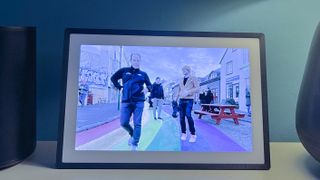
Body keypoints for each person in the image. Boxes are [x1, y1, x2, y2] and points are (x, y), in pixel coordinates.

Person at [111, 53, 152, 151]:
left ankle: (134, 144)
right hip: (126, 101)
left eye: (138, 60)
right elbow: (113, 78)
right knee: (123, 122)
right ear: (131, 60)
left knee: (137, 123)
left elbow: (150, 85)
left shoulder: (143, 74)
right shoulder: (124, 71)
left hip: (139, 102)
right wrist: (119, 88)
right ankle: (132, 134)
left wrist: (147, 89)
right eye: (134, 60)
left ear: (140, 61)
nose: (136, 62)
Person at [174, 65, 199, 143]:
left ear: (188, 70)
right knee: (181, 117)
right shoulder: (181, 79)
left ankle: (193, 134)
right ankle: (183, 133)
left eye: (184, 70)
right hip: (181, 100)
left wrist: (188, 92)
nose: (183, 71)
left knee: (188, 115)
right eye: (182, 70)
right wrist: (176, 97)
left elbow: (197, 88)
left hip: (189, 99)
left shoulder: (193, 78)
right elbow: (179, 89)